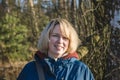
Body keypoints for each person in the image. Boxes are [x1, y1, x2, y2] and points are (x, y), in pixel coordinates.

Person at [17, 18, 95, 80]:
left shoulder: (81, 70)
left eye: (65, 38)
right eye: (55, 35)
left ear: (70, 41)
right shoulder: (30, 69)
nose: (60, 41)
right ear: (47, 38)